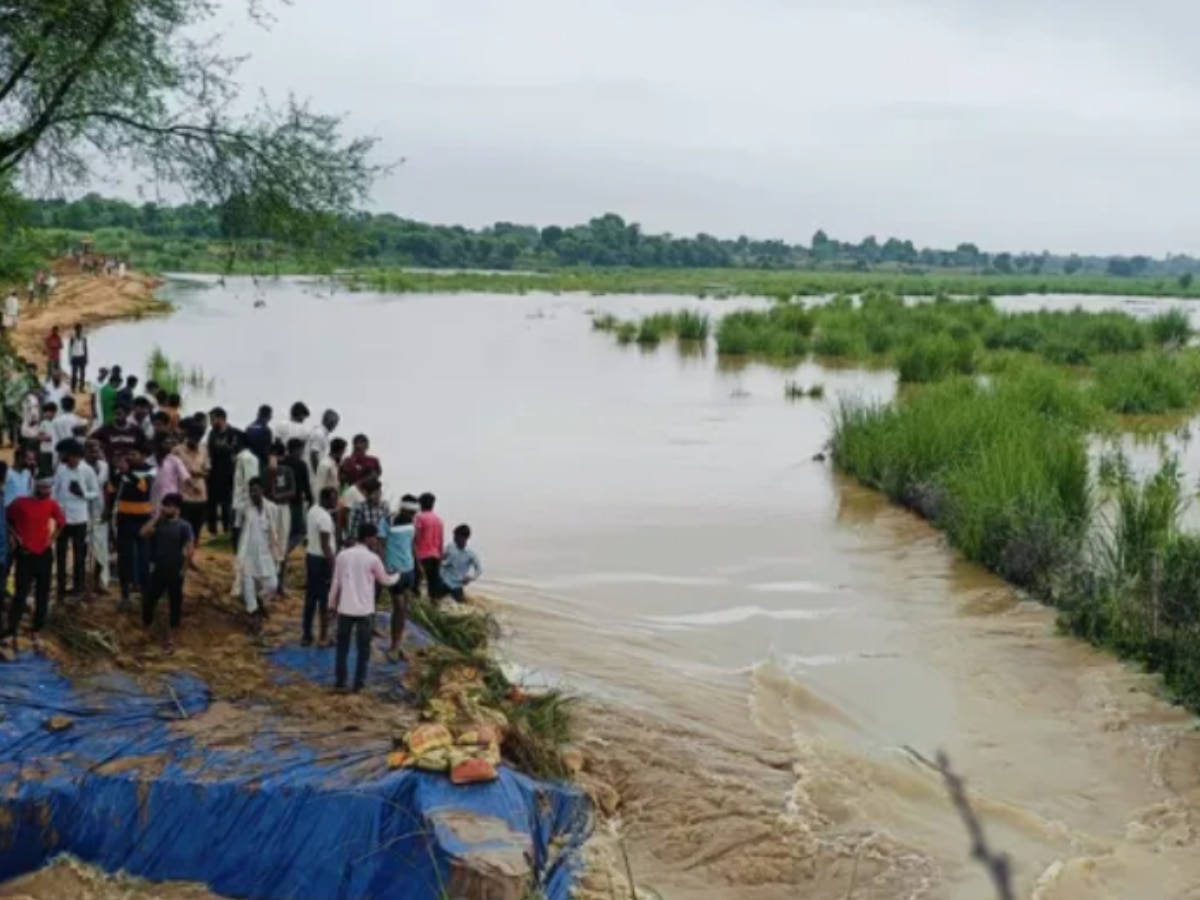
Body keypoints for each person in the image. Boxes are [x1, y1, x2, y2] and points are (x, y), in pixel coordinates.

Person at [328, 522, 399, 692]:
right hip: (365, 611)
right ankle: (358, 684)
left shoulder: (342, 555)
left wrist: (331, 604)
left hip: (345, 608)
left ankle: (340, 682)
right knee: (363, 649)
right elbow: (385, 580)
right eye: (374, 537)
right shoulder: (373, 559)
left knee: (342, 648)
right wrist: (397, 574)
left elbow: (335, 582)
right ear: (368, 538)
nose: (376, 541)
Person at [5, 476, 65, 655]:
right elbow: (6, 518)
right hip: (25, 553)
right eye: (44, 488)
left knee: (43, 592)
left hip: (44, 553)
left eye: (49, 488)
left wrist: (51, 540)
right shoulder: (20, 503)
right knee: (21, 592)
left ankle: (37, 628)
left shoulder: (51, 504)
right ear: (36, 488)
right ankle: (11, 629)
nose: (47, 491)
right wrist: (14, 536)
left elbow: (61, 522)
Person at [140, 493, 197, 652]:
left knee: (175, 603)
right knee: (150, 600)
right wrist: (157, 518)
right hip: (159, 568)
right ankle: (146, 629)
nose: (166, 508)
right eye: (164, 505)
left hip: (175, 569)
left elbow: (190, 548)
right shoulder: (160, 524)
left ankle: (172, 637)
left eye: (169, 505)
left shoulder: (184, 526)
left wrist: (184, 568)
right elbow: (143, 533)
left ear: (176, 508)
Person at [52, 439, 99, 601]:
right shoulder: (61, 470)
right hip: (62, 518)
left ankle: (78, 587)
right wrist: (54, 509)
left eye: (66, 455)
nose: (63, 458)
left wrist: (83, 494)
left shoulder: (87, 471)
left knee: (79, 555)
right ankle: (61, 588)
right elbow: (55, 490)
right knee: (60, 554)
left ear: (75, 456)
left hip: (80, 518)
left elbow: (95, 492)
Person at [113, 446, 155, 611]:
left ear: (142, 456)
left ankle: (146, 595)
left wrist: (126, 473)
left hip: (143, 522)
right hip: (124, 521)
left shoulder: (150, 472)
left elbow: (143, 488)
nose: (130, 457)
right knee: (124, 559)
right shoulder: (121, 474)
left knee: (144, 559)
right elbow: (111, 489)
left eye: (133, 454)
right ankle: (125, 596)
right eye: (127, 454)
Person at [237, 477, 282, 626]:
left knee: (272, 584)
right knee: (248, 582)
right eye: (251, 490)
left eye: (256, 490)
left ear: (262, 490)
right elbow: (238, 529)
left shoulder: (273, 508)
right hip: (248, 552)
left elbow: (276, 532)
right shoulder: (245, 508)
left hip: (266, 553)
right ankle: (253, 613)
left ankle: (258, 600)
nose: (253, 493)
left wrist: (277, 551)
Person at [303, 487, 338, 647]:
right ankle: (323, 637)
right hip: (322, 561)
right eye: (333, 499)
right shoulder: (325, 518)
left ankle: (307, 635)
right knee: (324, 599)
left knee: (311, 597)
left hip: (311, 556)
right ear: (325, 499)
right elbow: (326, 546)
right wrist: (334, 565)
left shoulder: (312, 510)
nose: (335, 502)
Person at [383, 502, 417, 660]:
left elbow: (409, 546)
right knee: (400, 607)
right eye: (411, 513)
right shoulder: (390, 522)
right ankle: (395, 645)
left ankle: (396, 643)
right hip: (399, 571)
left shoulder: (406, 524)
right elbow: (381, 545)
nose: (413, 515)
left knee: (402, 609)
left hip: (403, 570)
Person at [280, 438, 313, 584]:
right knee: (299, 532)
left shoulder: (281, 462)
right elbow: (306, 485)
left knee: (284, 533)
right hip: (295, 503)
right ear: (296, 449)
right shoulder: (300, 464)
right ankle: (284, 550)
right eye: (301, 449)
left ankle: (282, 550)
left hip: (280, 503)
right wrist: (311, 500)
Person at [206, 407, 241, 536]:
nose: (211, 422)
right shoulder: (212, 433)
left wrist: (223, 448)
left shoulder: (233, 433)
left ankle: (227, 529)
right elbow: (211, 451)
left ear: (221, 418)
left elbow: (233, 450)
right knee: (212, 504)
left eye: (213, 419)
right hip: (213, 473)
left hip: (228, 473)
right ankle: (212, 531)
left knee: (227, 503)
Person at [85, 439, 112, 595]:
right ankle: (84, 582)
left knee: (101, 546)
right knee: (85, 546)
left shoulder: (104, 467)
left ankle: (98, 581)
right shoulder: (81, 467)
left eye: (97, 449)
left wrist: (107, 509)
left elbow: (107, 488)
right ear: (85, 452)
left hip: (100, 509)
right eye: (90, 449)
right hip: (84, 510)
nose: (94, 452)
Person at [173, 422, 209, 536]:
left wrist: (202, 473)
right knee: (183, 530)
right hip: (184, 496)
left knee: (196, 530)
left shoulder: (203, 450)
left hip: (200, 496)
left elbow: (207, 468)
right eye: (193, 437)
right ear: (187, 436)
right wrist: (190, 472)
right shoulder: (177, 450)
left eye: (199, 437)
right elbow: (173, 472)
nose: (196, 440)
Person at [92, 401, 149, 469]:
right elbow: (91, 440)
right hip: (112, 467)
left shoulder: (136, 430)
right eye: (115, 414)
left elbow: (145, 448)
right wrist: (100, 453)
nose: (116, 417)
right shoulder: (106, 429)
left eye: (119, 414)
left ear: (127, 414)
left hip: (132, 467)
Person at [440, 524, 483, 604]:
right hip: (444, 581)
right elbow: (441, 558)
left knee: (462, 605)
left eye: (457, 536)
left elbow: (479, 570)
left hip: (457, 584)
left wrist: (470, 578)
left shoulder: (470, 554)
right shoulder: (450, 547)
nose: (454, 539)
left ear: (465, 538)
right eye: (454, 536)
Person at [414, 492, 445, 599]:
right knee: (433, 585)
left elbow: (416, 538)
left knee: (416, 584)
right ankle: (434, 606)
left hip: (422, 556)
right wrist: (440, 557)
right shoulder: (438, 520)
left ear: (421, 504)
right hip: (435, 556)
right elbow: (441, 541)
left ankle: (416, 606)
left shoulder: (419, 518)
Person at [150, 434, 190, 513]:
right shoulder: (149, 460)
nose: (169, 446)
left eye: (170, 443)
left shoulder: (174, 460)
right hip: (153, 497)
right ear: (158, 444)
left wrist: (192, 486)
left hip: (170, 498)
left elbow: (185, 477)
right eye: (166, 443)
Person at [346, 477, 390, 551]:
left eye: (379, 492)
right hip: (364, 547)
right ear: (366, 494)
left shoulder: (385, 506)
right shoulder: (359, 507)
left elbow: (387, 528)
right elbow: (353, 532)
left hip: (380, 547)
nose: (377, 496)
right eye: (374, 493)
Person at [231, 441, 260, 553]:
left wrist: (252, 498)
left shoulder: (245, 459)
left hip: (244, 499)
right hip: (242, 499)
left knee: (241, 527)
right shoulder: (246, 458)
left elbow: (250, 480)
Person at [48, 395, 87, 467]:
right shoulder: (79, 421)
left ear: (62, 406)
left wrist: (54, 460)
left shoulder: (55, 421)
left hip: (61, 455)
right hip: (75, 456)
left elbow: (54, 440)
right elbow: (82, 440)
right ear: (73, 406)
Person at [306, 409, 339, 481]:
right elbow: (314, 454)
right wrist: (318, 474)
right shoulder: (319, 434)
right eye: (336, 423)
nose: (335, 426)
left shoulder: (319, 432)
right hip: (312, 475)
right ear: (330, 421)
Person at [36, 401, 57, 477]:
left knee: (54, 468)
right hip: (45, 450)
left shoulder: (56, 422)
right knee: (46, 468)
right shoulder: (43, 423)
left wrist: (51, 437)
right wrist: (48, 437)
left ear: (53, 412)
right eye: (45, 412)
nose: (46, 414)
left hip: (54, 450)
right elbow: (40, 437)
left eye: (48, 412)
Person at [68, 325, 88, 393]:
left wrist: (86, 358)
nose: (79, 330)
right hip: (75, 357)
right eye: (78, 329)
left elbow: (85, 348)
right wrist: (70, 358)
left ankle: (81, 388)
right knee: (74, 373)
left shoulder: (84, 337)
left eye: (80, 329)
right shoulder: (72, 337)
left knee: (82, 373)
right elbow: (70, 349)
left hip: (82, 357)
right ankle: (73, 388)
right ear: (75, 330)